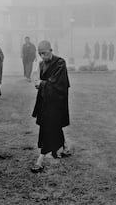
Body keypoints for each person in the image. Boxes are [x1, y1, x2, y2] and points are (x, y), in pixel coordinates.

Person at [31, 40, 71, 173]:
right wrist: (38, 83)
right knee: (52, 125)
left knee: (48, 128)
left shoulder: (60, 62)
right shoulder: (41, 64)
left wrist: (42, 84)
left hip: (57, 101)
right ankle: (64, 148)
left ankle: (40, 160)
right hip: (45, 101)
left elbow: (58, 83)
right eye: (40, 54)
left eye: (45, 53)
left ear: (51, 50)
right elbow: (42, 81)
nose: (43, 56)